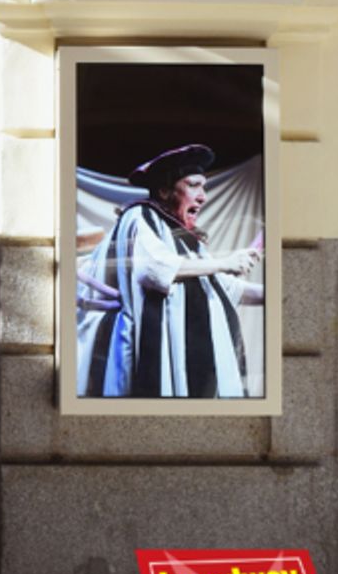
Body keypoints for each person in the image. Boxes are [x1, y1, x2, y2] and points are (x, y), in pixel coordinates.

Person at [77, 144, 263, 398]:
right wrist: (225, 262)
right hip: (159, 358)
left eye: (204, 187)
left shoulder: (186, 241)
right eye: (193, 185)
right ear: (164, 191)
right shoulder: (141, 216)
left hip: (196, 364)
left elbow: (226, 288)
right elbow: (153, 270)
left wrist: (277, 294)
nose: (203, 196)